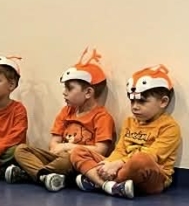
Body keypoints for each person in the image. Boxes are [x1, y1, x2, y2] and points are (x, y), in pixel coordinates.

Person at [6, 47, 115, 191]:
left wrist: (68, 147)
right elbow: (54, 143)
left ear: (88, 92)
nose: (64, 93)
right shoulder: (66, 111)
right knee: (21, 150)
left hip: (77, 161)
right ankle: (46, 175)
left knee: (69, 158)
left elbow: (100, 151)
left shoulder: (102, 117)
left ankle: (33, 174)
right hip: (57, 157)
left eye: (69, 89)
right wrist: (57, 148)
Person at [71, 64, 182, 198]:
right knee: (78, 151)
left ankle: (97, 181)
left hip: (153, 177)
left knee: (140, 159)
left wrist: (118, 164)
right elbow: (120, 150)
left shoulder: (169, 127)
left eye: (142, 102)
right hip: (120, 167)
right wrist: (109, 163)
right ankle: (110, 186)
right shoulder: (129, 122)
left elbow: (152, 155)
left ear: (163, 102)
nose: (135, 107)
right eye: (132, 101)